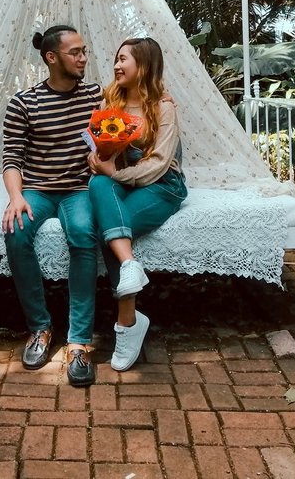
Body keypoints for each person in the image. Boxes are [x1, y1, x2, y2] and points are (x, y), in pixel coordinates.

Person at [2, 24, 102, 387]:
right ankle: (40, 329)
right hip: (38, 189)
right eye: (75, 52)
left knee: (82, 234)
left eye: (84, 51)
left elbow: (132, 108)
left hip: (79, 189)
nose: (83, 58)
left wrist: (163, 99)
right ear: (51, 57)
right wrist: (16, 198)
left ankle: (79, 342)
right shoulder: (24, 102)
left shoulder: (95, 95)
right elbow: (12, 158)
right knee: (15, 230)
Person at [87, 37, 187, 372]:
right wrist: (98, 158)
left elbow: (159, 163)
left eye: (123, 60)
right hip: (121, 179)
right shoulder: (110, 99)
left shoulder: (164, 107)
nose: (116, 66)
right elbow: (102, 148)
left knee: (109, 227)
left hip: (162, 186)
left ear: (143, 65)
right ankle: (130, 271)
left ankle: (127, 322)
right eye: (116, 59)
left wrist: (117, 173)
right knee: (97, 182)